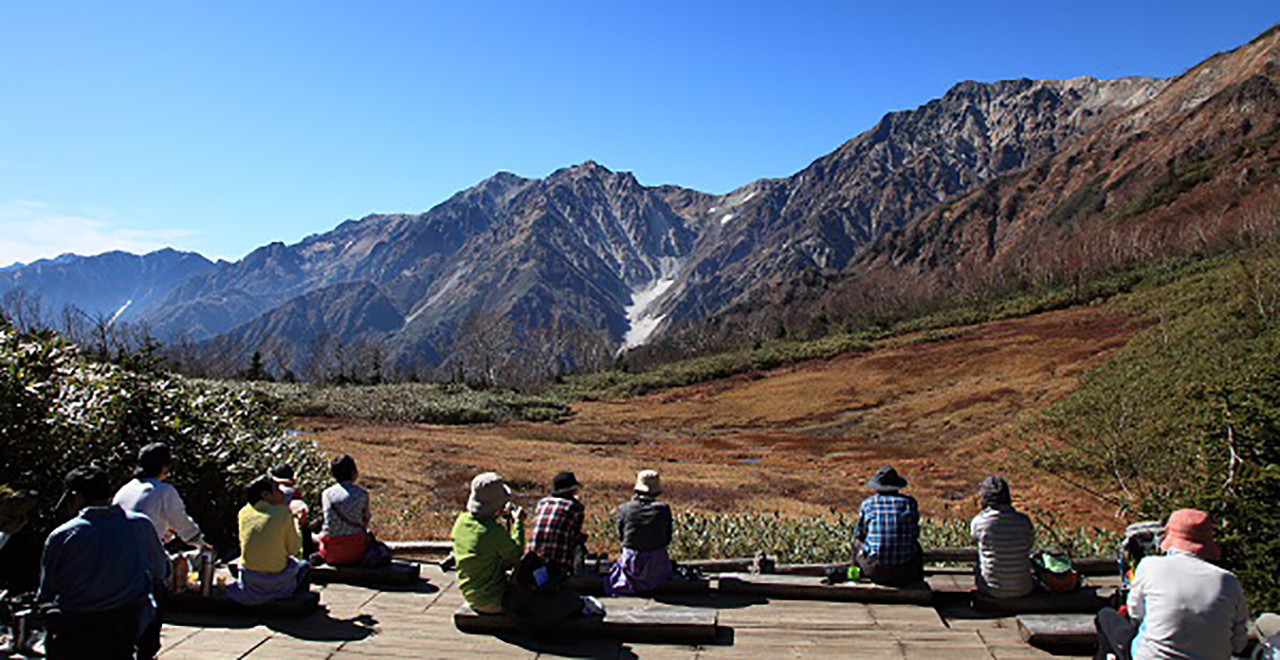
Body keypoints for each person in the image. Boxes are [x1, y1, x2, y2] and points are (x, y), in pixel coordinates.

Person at [37, 465, 169, 660]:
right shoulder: (141, 526)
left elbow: (46, 592)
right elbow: (162, 573)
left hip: (75, 632)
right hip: (124, 631)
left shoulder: (63, 536)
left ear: (76, 497)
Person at [1093, 508, 1249, 660]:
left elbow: (1136, 614)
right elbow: (1238, 643)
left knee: (1106, 616)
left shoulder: (1150, 566)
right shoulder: (1229, 581)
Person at [226, 474, 310, 606]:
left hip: (249, 579)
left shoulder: (243, 512)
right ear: (266, 495)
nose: (282, 492)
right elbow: (294, 550)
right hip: (275, 582)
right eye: (277, 489)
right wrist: (297, 525)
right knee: (304, 566)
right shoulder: (283, 513)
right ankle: (295, 602)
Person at [451, 472, 525, 614]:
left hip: (471, 595)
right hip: (493, 600)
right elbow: (516, 555)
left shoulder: (462, 521)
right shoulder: (493, 531)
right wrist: (518, 524)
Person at [113, 442, 207, 548]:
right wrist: (201, 543)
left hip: (116, 555)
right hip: (143, 558)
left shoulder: (124, 490)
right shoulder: (163, 491)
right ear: (164, 467)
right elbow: (183, 525)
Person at [605, 469, 674, 596]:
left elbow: (622, 536)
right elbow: (667, 538)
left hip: (632, 561)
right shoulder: (663, 510)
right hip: (656, 562)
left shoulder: (625, 508)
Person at [853, 465, 923, 586]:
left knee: (855, 542)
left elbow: (859, 534)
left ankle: (855, 574)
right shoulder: (909, 503)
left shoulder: (868, 504)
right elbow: (915, 534)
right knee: (916, 546)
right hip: (905, 571)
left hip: (875, 570)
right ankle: (917, 579)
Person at [970, 476, 1035, 599]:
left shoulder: (979, 522)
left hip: (991, 590)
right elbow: (1029, 544)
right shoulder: (1024, 521)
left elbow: (975, 540)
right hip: (1023, 589)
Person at [527, 471, 588, 576]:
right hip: (557, 564)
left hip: (532, 561)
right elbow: (575, 537)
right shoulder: (575, 508)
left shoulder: (542, 503)